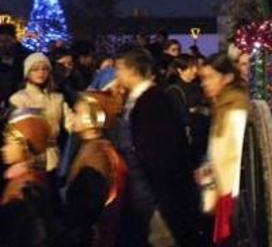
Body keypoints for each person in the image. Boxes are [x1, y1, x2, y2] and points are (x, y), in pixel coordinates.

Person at [114, 49, 209, 246]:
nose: (117, 75)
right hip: (145, 191)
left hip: (155, 194)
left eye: (120, 69)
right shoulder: (140, 100)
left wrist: (159, 197)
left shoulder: (152, 101)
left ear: (132, 70)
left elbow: (160, 154)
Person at [59, 91, 127, 247]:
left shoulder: (95, 154)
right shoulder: (90, 146)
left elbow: (88, 205)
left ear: (92, 118)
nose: (72, 117)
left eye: (76, 112)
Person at [197, 53, 249, 246]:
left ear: (227, 78)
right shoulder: (221, 105)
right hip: (225, 194)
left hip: (233, 197)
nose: (205, 83)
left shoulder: (235, 106)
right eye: (203, 78)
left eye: (210, 77)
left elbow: (238, 154)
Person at [9, 52, 73, 173]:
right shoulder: (18, 99)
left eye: (44, 69)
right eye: (35, 69)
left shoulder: (57, 98)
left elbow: (71, 123)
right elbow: (16, 133)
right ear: (27, 73)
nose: (41, 73)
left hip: (53, 158)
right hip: (28, 160)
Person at [0, 108, 55, 247]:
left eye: (8, 142)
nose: (3, 149)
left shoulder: (24, 189)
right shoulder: (26, 176)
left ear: (25, 145)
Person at [165, 55, 210, 166]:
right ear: (180, 70)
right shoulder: (174, 90)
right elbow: (182, 116)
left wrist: (196, 110)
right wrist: (198, 110)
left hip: (204, 135)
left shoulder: (199, 86)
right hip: (189, 140)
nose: (194, 70)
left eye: (195, 67)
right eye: (190, 68)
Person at [0, 23, 31, 106]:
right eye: (0, 41)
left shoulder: (26, 56)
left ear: (14, 40)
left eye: (6, 41)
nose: (3, 45)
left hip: (21, 101)